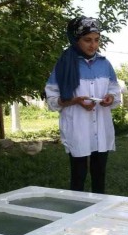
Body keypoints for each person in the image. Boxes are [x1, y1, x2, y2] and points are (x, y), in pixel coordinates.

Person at [45, 16, 121, 194]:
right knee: (78, 175)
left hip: (101, 127)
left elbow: (114, 90)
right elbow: (52, 99)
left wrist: (110, 97)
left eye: (96, 40)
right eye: (87, 40)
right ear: (75, 39)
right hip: (77, 128)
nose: (93, 45)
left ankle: (99, 211)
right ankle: (76, 212)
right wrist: (75, 101)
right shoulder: (64, 64)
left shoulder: (105, 64)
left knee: (99, 174)